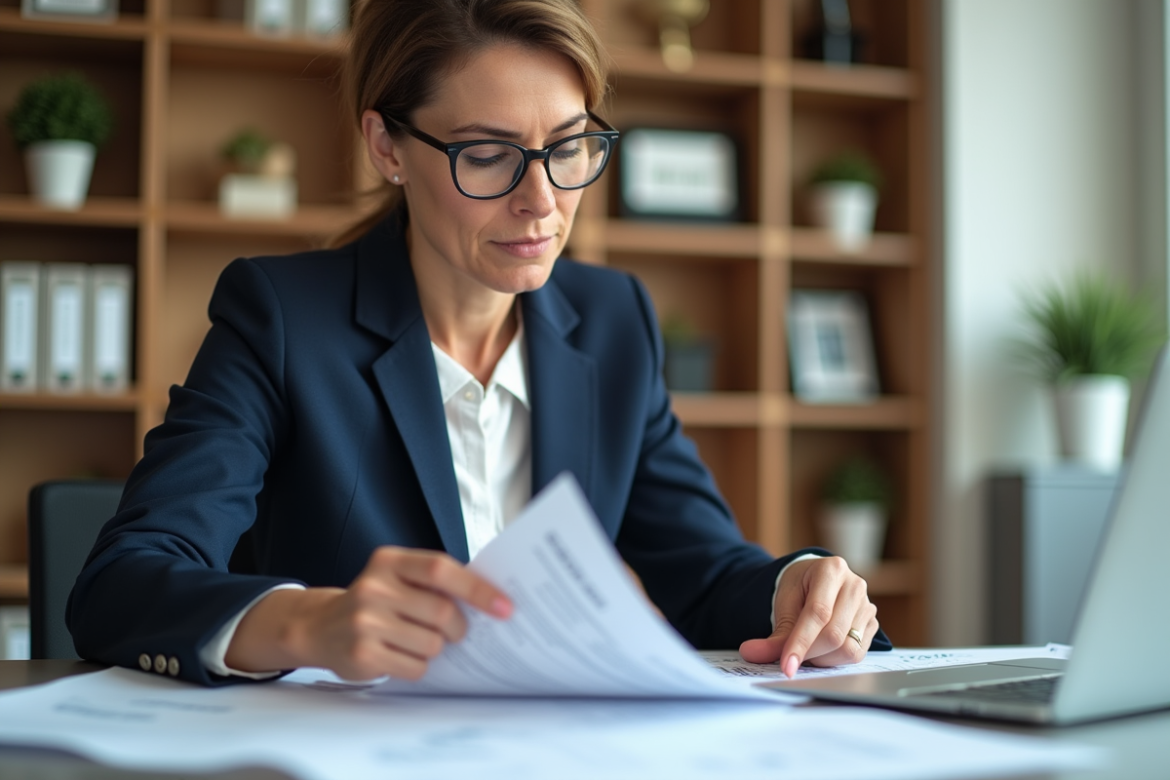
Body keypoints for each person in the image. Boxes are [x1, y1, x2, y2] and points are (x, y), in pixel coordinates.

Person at [68, 0, 889, 687]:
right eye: (489, 156)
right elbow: (122, 583)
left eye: (567, 148)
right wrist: (307, 622)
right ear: (388, 147)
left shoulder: (613, 322)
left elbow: (705, 570)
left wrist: (799, 588)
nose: (542, 201)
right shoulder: (283, 317)